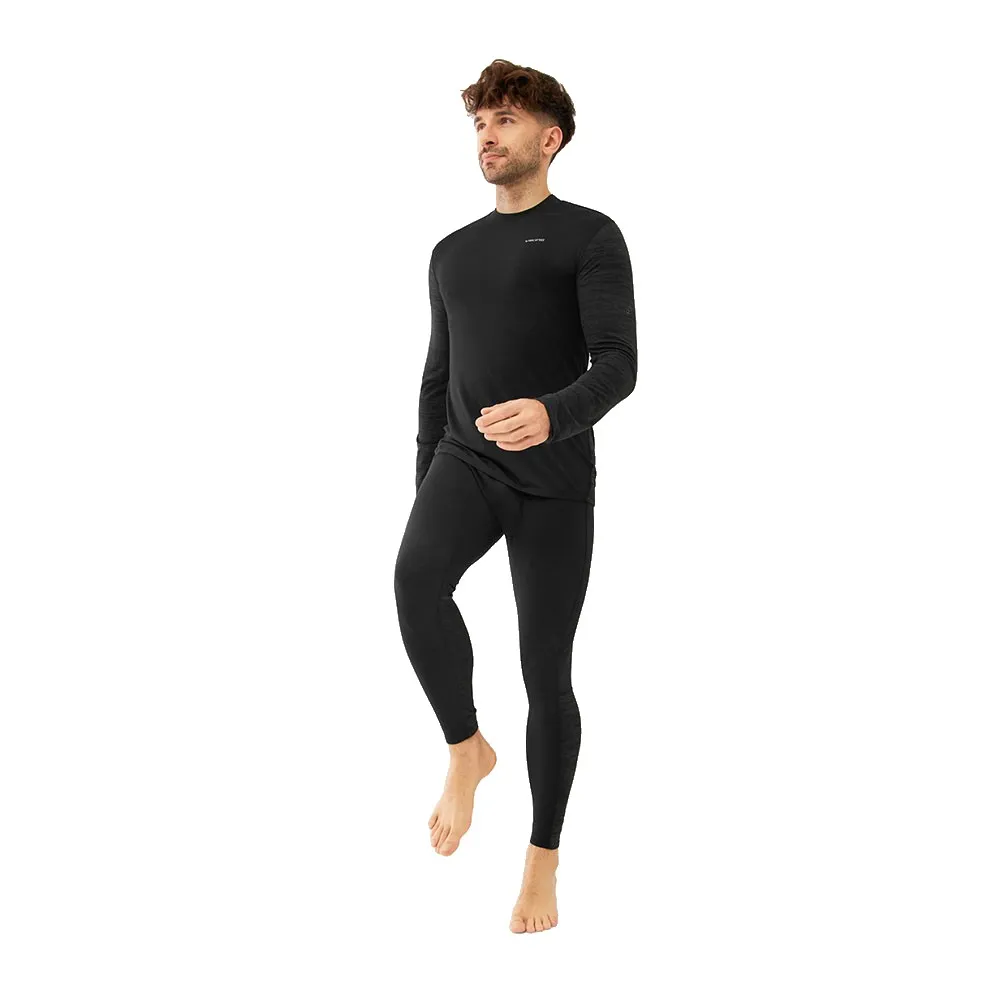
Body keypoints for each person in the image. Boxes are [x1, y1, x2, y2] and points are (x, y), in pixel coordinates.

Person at [393, 58, 638, 934]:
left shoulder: (590, 236)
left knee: (546, 674)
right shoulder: (452, 252)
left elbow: (619, 364)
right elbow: (438, 375)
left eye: (505, 120)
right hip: (465, 462)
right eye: (479, 122)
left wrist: (553, 412)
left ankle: (542, 858)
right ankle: (467, 747)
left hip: (555, 480)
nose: (488, 135)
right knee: (415, 580)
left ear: (550, 137)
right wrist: (426, 484)